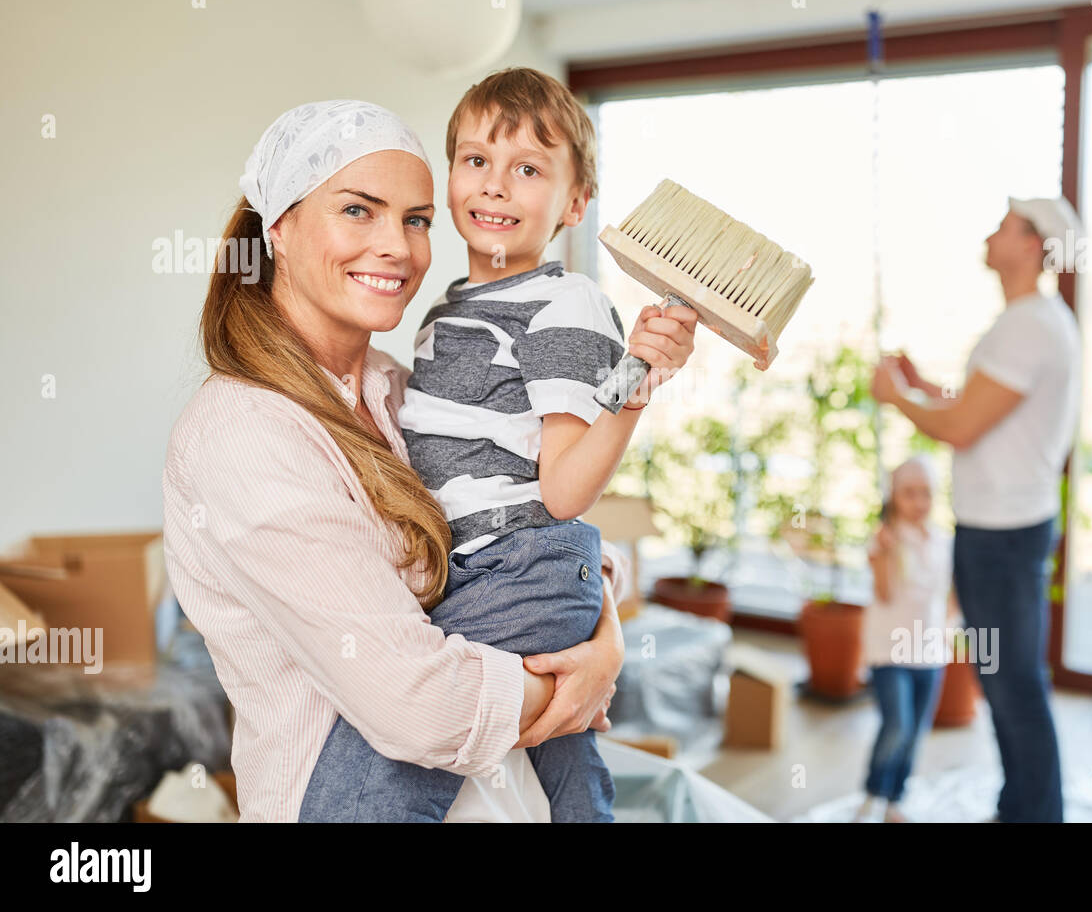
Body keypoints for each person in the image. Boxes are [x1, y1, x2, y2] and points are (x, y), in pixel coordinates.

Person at [161, 99, 695, 822]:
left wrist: (604, 633)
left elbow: (522, 520)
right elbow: (416, 706)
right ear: (278, 229)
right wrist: (580, 684)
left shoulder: (399, 391)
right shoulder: (245, 432)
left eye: (415, 220)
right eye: (359, 210)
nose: (398, 247)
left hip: (511, 797)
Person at [870, 196, 1083, 822]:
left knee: (1013, 686)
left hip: (1003, 537)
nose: (991, 234)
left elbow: (962, 427)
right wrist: (927, 386)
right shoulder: (1036, 320)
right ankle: (1022, 806)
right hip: (1009, 530)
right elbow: (985, 406)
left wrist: (899, 396)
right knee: (1008, 681)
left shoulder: (1028, 325)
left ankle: (1033, 814)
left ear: (1031, 246)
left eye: (1004, 226)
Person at [854, 456, 953, 823]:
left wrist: (951, 627)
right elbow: (883, 593)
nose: (919, 502)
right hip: (888, 650)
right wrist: (885, 553)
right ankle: (873, 794)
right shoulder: (884, 539)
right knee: (897, 724)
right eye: (909, 493)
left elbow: (950, 593)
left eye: (926, 493)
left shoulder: (944, 541)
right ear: (894, 496)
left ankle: (896, 798)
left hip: (930, 651)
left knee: (915, 732)